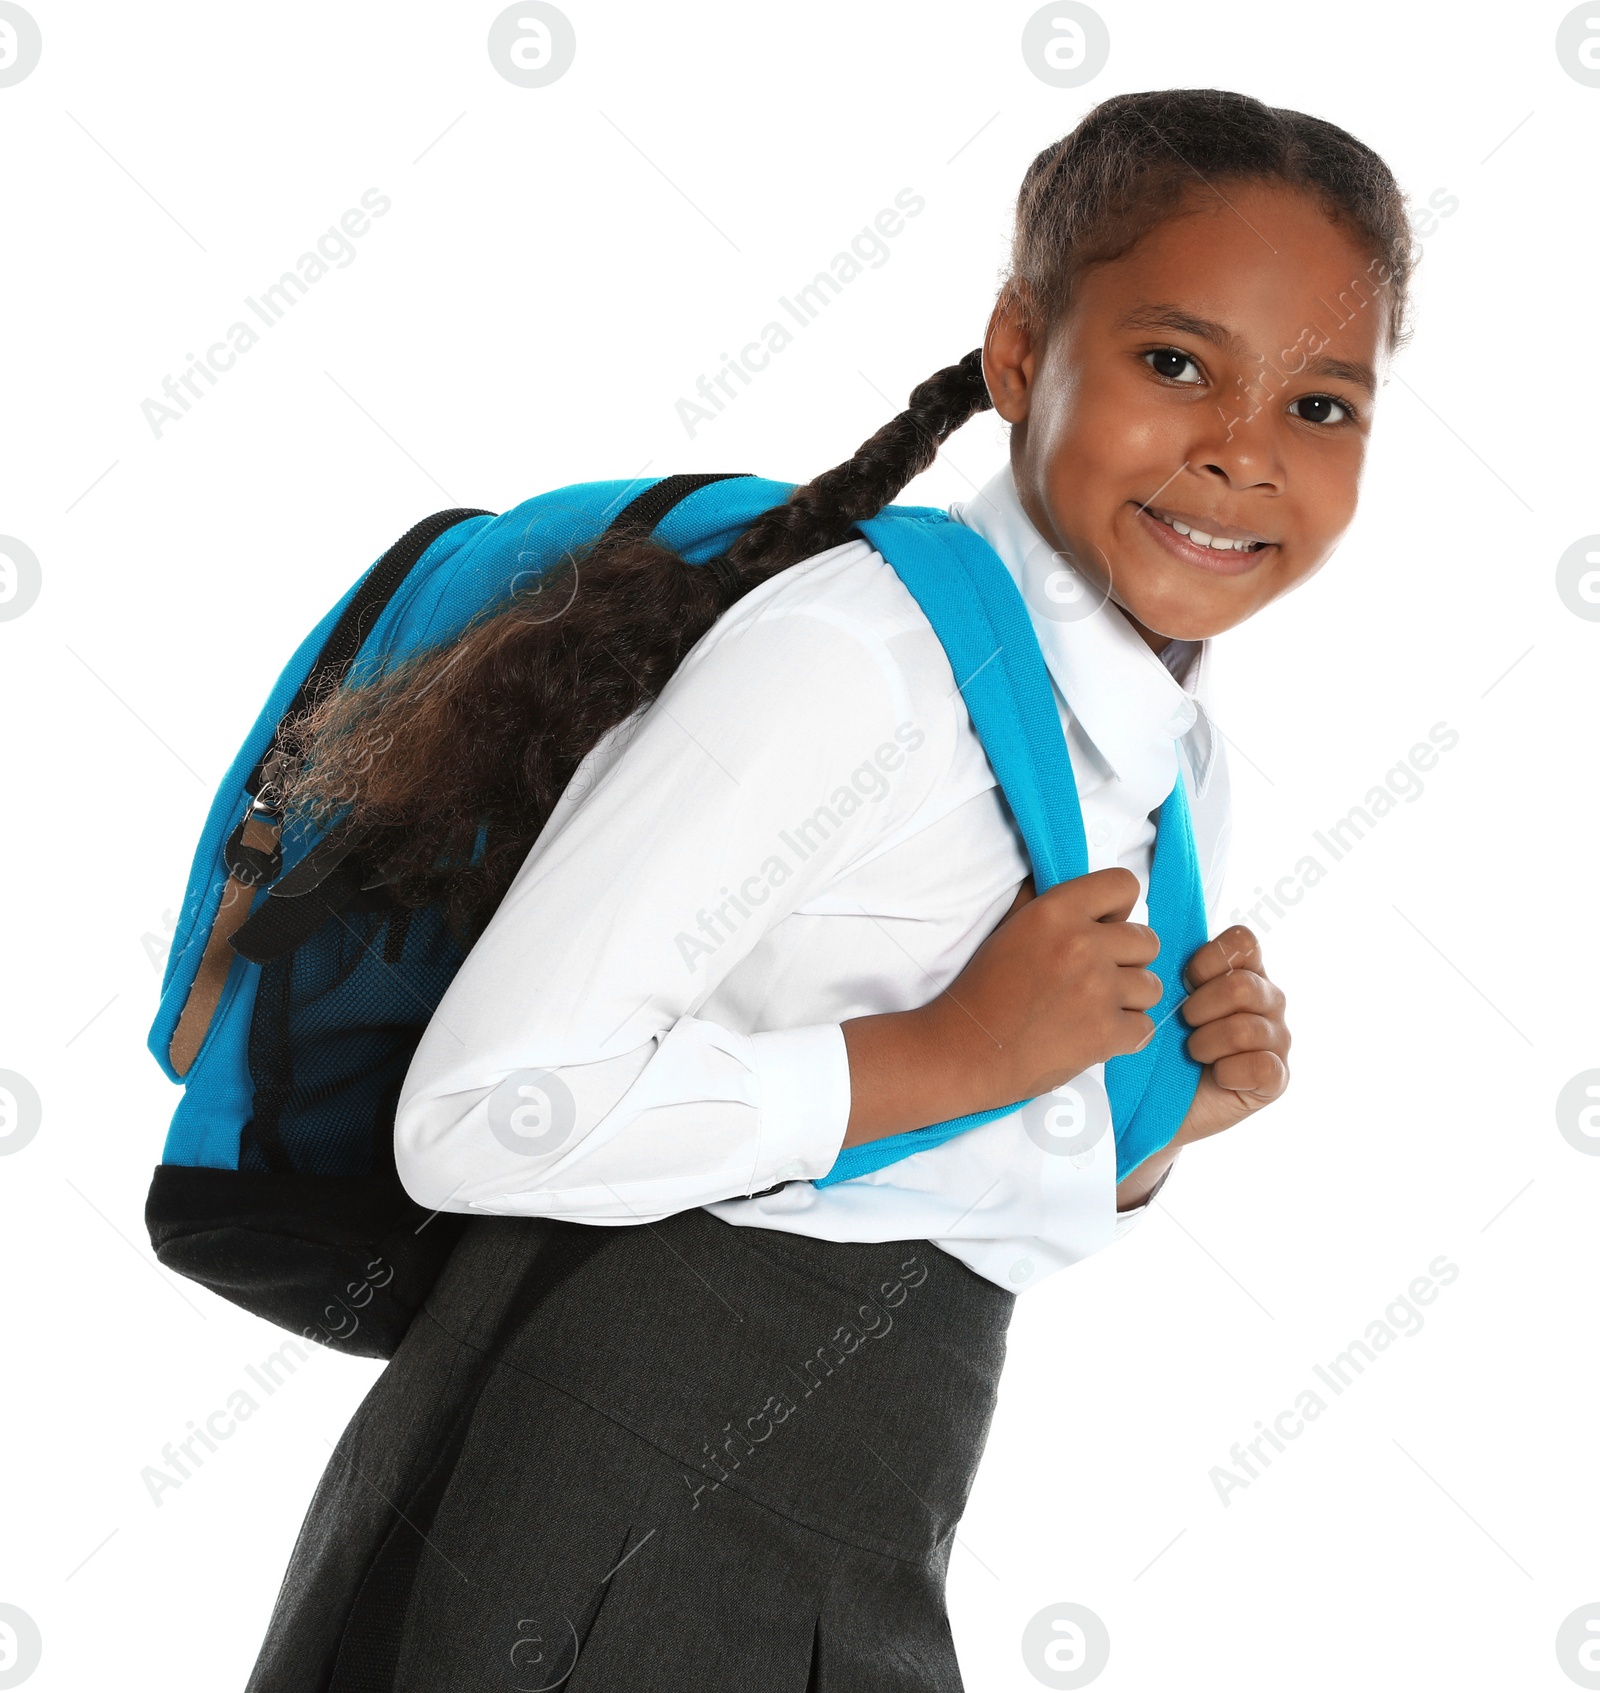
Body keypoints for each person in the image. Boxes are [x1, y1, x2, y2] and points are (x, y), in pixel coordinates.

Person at [244, 87, 1407, 1693]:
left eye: (1324, 406)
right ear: (1018, 355)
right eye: (1175, 363)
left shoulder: (1166, 748)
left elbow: (937, 1195)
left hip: (865, 1512)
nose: (1241, 449)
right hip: (586, 1495)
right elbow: (477, 1113)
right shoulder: (856, 659)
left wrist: (1150, 1127)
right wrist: (952, 1055)